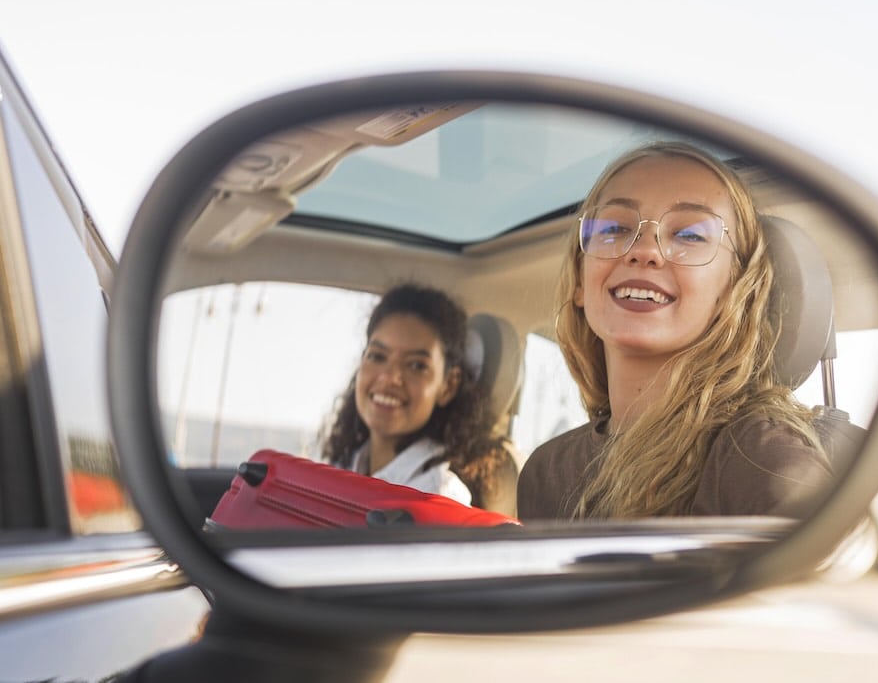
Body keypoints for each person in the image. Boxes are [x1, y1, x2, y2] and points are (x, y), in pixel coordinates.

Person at [517, 142, 833, 520]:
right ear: (581, 283)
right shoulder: (546, 471)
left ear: (732, 291)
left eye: (690, 235)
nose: (645, 250)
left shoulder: (762, 460)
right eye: (615, 228)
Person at [323, 283, 517, 510]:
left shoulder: (439, 498)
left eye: (416, 365)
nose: (390, 377)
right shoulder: (341, 466)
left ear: (447, 386)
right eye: (377, 356)